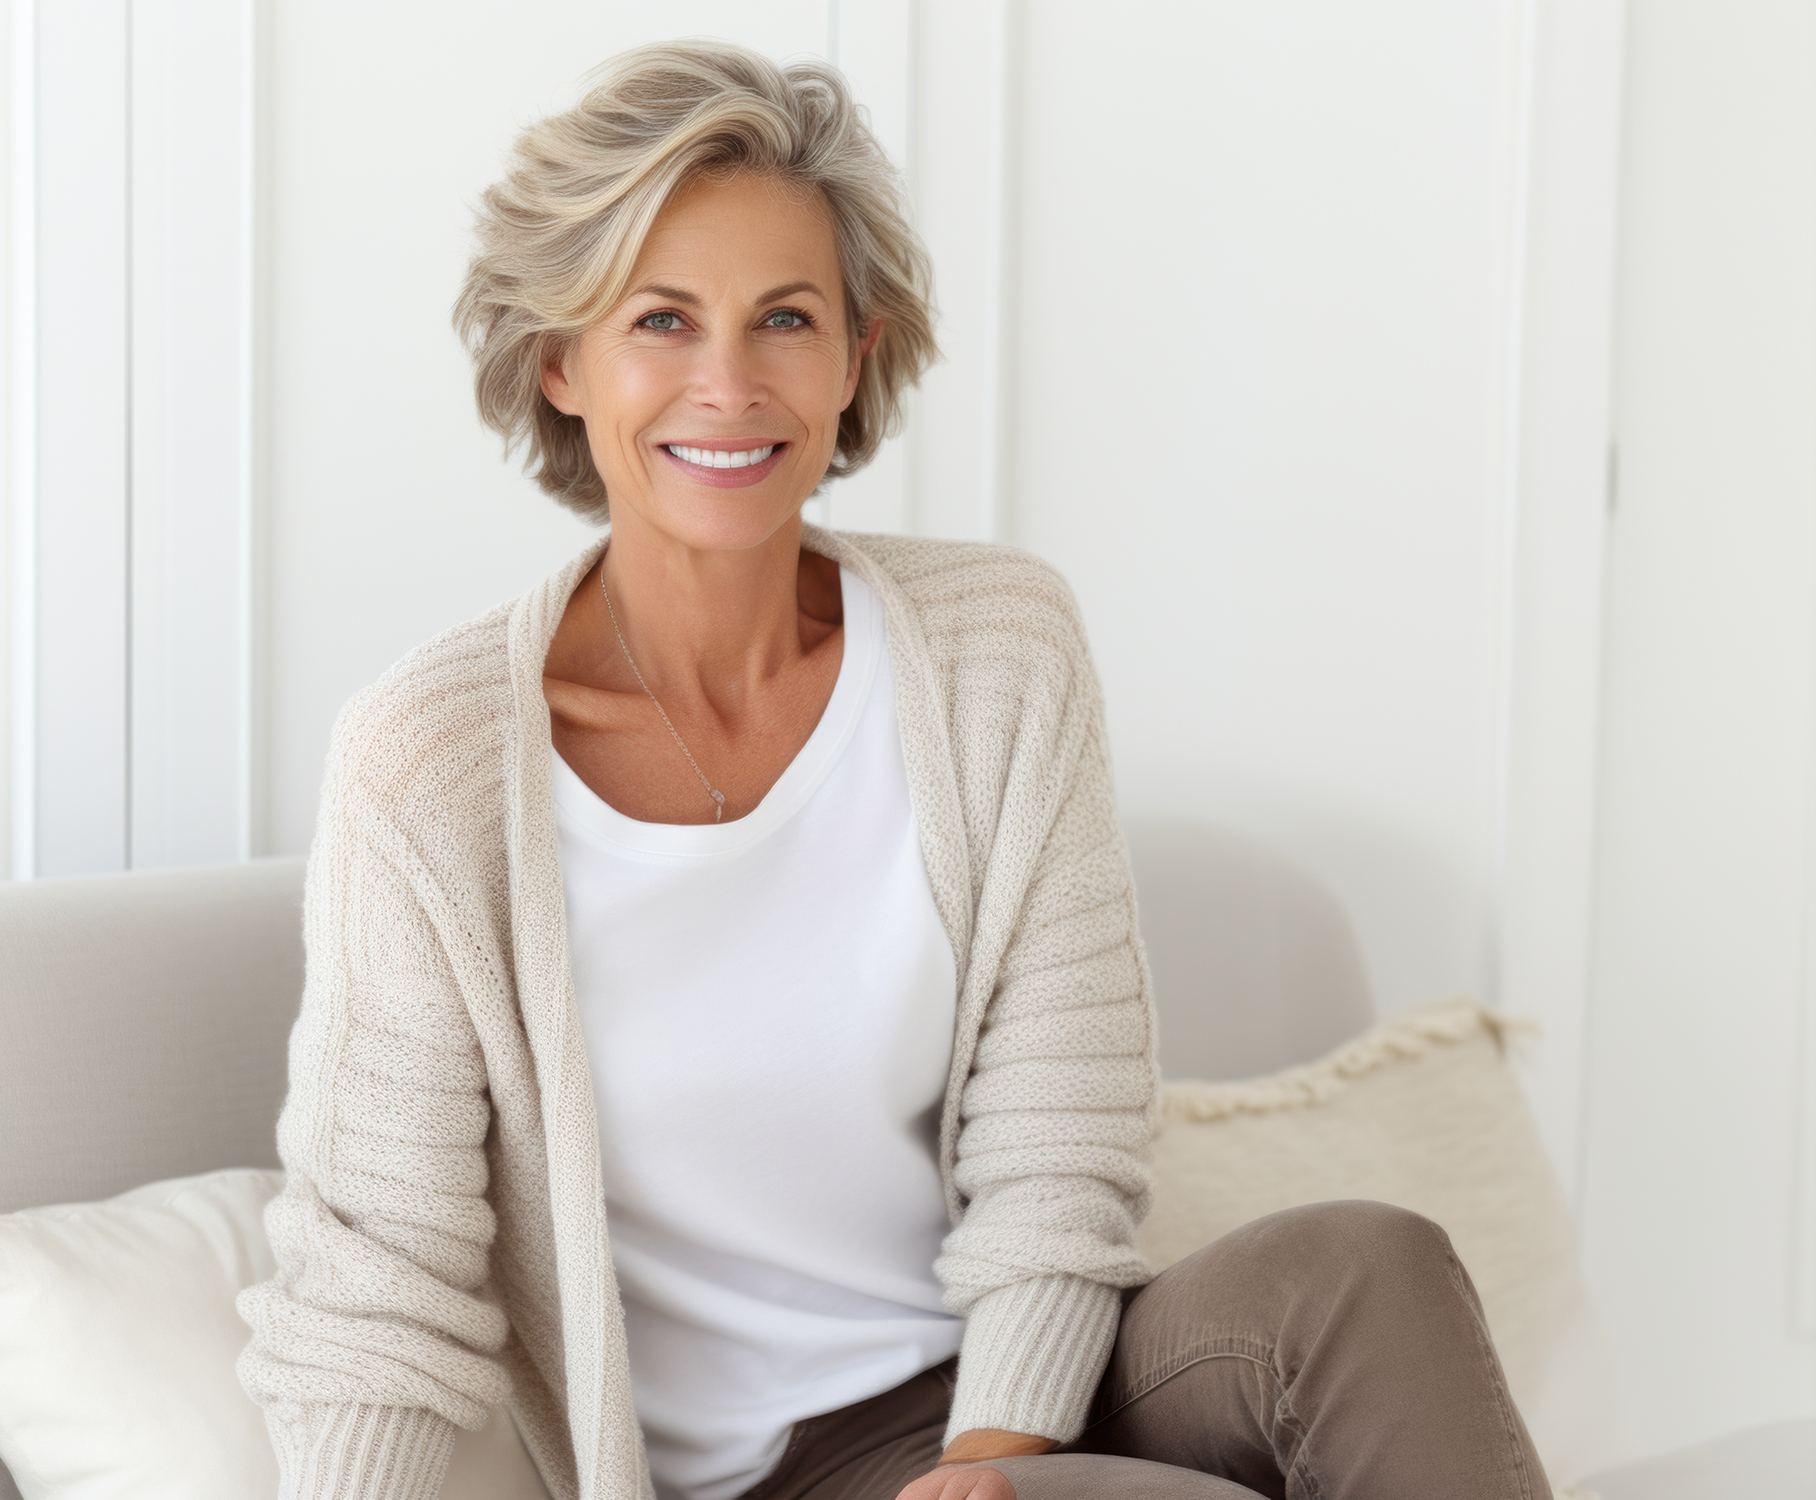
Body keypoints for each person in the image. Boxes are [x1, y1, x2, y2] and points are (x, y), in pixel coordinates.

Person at [232, 40, 1552, 1500]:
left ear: (856, 355)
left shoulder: (999, 650)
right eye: (662, 321)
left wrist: (996, 1450)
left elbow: (1061, 1124)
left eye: (783, 319)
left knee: (1368, 1264)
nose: (728, 385)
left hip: (1039, 1382)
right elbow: (381, 1289)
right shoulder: (432, 767)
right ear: (562, 362)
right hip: (777, 1473)